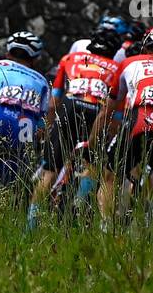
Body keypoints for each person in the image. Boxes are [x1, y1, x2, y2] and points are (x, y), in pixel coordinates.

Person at [28, 29, 122, 224]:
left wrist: (49, 127)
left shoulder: (69, 57)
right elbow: (113, 109)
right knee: (92, 165)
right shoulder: (116, 67)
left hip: (70, 106)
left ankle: (31, 224)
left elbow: (53, 103)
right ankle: (76, 213)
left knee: (50, 170)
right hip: (97, 111)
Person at [93, 27, 153, 220]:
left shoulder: (129, 62)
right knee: (152, 179)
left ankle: (105, 225)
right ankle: (144, 224)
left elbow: (108, 110)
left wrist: (92, 141)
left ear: (145, 45)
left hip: (140, 120)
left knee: (110, 176)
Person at [0, 31, 50, 186]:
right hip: (26, 124)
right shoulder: (42, 80)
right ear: (35, 58)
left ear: (8, 51)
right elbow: (43, 124)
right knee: (9, 184)